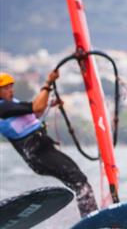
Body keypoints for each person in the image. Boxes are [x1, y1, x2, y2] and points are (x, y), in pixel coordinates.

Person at [0, 71, 98, 217]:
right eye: (6, 88)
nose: (11, 90)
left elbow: (35, 113)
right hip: (38, 154)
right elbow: (36, 107)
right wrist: (48, 84)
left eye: (11, 87)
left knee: (78, 179)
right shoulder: (2, 107)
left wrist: (49, 104)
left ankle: (89, 214)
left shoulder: (12, 105)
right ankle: (91, 215)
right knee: (77, 178)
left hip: (43, 150)